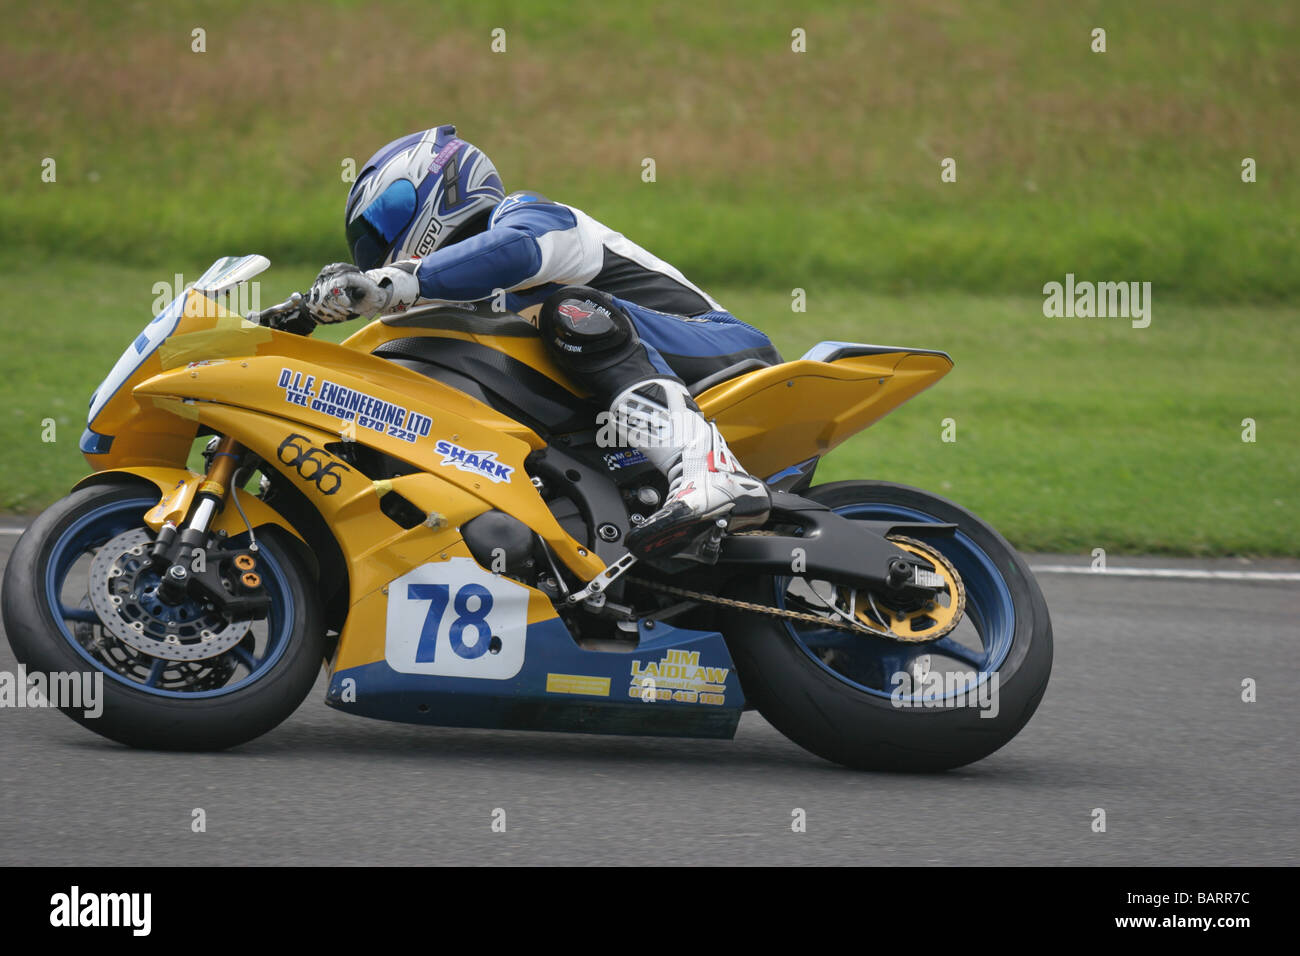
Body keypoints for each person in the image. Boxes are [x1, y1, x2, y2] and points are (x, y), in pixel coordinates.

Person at [305, 125, 778, 560]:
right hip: (621, 399)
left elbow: (517, 252)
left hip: (721, 349)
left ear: (443, 185)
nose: (378, 247)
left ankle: (709, 471)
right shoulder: (453, 296)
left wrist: (395, 281)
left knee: (569, 310)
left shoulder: (527, 216)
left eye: (386, 219)